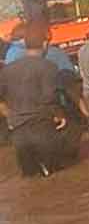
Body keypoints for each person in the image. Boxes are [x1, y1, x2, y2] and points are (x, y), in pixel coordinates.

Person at [0, 24, 81, 177]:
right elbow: (49, 97)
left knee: (31, 178)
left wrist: (10, 117)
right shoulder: (47, 66)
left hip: (18, 134)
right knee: (57, 177)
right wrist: (60, 115)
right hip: (42, 129)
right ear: (45, 44)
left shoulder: (7, 70)